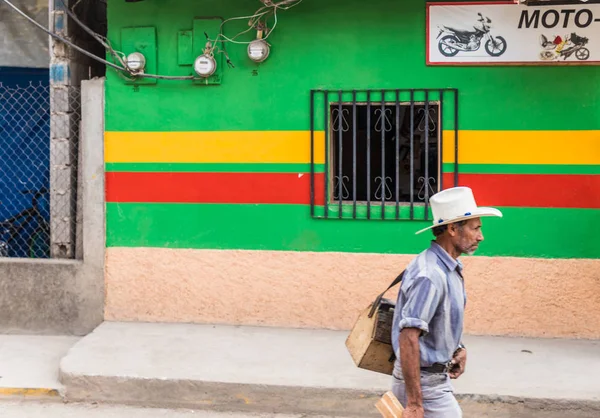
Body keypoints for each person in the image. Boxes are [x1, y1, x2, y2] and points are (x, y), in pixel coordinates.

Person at [390, 186, 502, 418]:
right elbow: (408, 337)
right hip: (424, 384)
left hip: (434, 379)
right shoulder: (430, 275)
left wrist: (457, 348)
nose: (481, 236)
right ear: (452, 229)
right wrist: (414, 404)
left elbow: (439, 320)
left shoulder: (449, 267)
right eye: (476, 228)